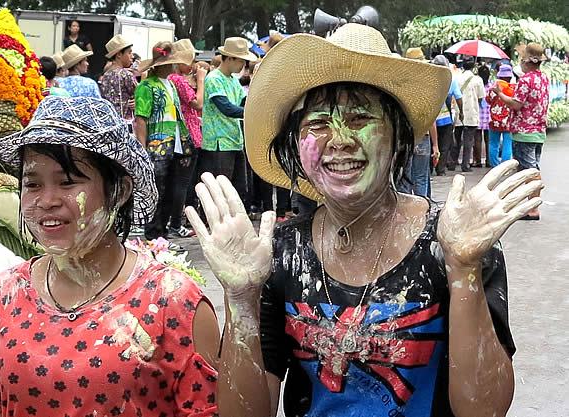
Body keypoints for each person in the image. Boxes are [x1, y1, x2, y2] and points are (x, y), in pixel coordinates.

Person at [186, 23, 543, 417]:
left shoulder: (454, 241)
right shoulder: (278, 255)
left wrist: (463, 269)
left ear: (398, 138)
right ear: (296, 143)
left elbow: (485, 411)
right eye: (318, 124)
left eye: (359, 119)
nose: (338, 140)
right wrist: (240, 300)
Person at [0, 96, 220, 417]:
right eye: (32, 183)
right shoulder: (3, 296)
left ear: (118, 191)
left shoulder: (172, 301)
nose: (46, 200)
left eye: (67, 181)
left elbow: (209, 407)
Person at [134, 42, 195, 241]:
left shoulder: (170, 85)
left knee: (170, 192)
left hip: (175, 145)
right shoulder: (146, 86)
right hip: (156, 146)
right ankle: (154, 235)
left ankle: (163, 235)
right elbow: (141, 119)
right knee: (158, 193)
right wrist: (141, 149)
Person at [493, 42, 549, 221]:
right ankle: (531, 205)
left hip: (525, 131)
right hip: (538, 130)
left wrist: (500, 94)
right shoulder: (543, 78)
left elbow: (516, 104)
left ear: (526, 61)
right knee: (532, 167)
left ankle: (532, 208)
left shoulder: (526, 80)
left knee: (528, 170)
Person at [200, 37, 257, 205]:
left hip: (233, 140)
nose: (243, 66)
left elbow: (242, 103)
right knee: (219, 190)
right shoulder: (214, 79)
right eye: (242, 61)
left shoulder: (232, 80)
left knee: (237, 190)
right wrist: (252, 113)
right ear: (230, 58)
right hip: (218, 142)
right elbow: (227, 108)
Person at [167, 39, 208, 237]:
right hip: (187, 136)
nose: (193, 64)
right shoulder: (178, 80)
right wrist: (201, 79)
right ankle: (176, 223)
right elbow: (198, 104)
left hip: (176, 136)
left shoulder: (170, 79)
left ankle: (172, 221)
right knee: (182, 182)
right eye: (191, 59)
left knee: (176, 181)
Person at [401, 47, 439, 198]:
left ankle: (406, 214)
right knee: (421, 179)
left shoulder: (400, 86)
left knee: (405, 180)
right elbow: (430, 120)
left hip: (405, 138)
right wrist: (435, 145)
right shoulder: (425, 87)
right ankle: (422, 213)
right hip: (422, 138)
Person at [431, 55, 463, 177]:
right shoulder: (450, 80)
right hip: (445, 118)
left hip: (430, 119)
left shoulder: (428, 79)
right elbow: (459, 98)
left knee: (432, 143)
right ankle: (441, 169)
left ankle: (430, 167)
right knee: (444, 145)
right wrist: (461, 111)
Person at [451, 58, 485, 172]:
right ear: (473, 66)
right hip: (471, 113)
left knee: (456, 139)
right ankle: (465, 165)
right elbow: (481, 98)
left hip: (458, 113)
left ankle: (452, 163)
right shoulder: (478, 80)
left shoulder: (457, 78)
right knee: (468, 141)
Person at [99, 34, 137, 130]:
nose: (132, 56)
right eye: (129, 52)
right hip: (125, 124)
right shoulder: (125, 74)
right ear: (119, 54)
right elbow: (140, 95)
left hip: (108, 123)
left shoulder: (105, 76)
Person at [486, 64, 515, 167]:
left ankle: (494, 165)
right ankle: (505, 166)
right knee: (508, 143)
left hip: (494, 120)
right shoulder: (513, 89)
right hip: (508, 120)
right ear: (510, 77)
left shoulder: (492, 88)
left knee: (493, 143)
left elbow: (488, 100)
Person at [475, 63, 491, 168]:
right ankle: (489, 160)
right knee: (488, 140)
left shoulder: (476, 86)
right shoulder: (492, 86)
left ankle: (478, 161)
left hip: (477, 115)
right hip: (489, 116)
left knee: (477, 139)